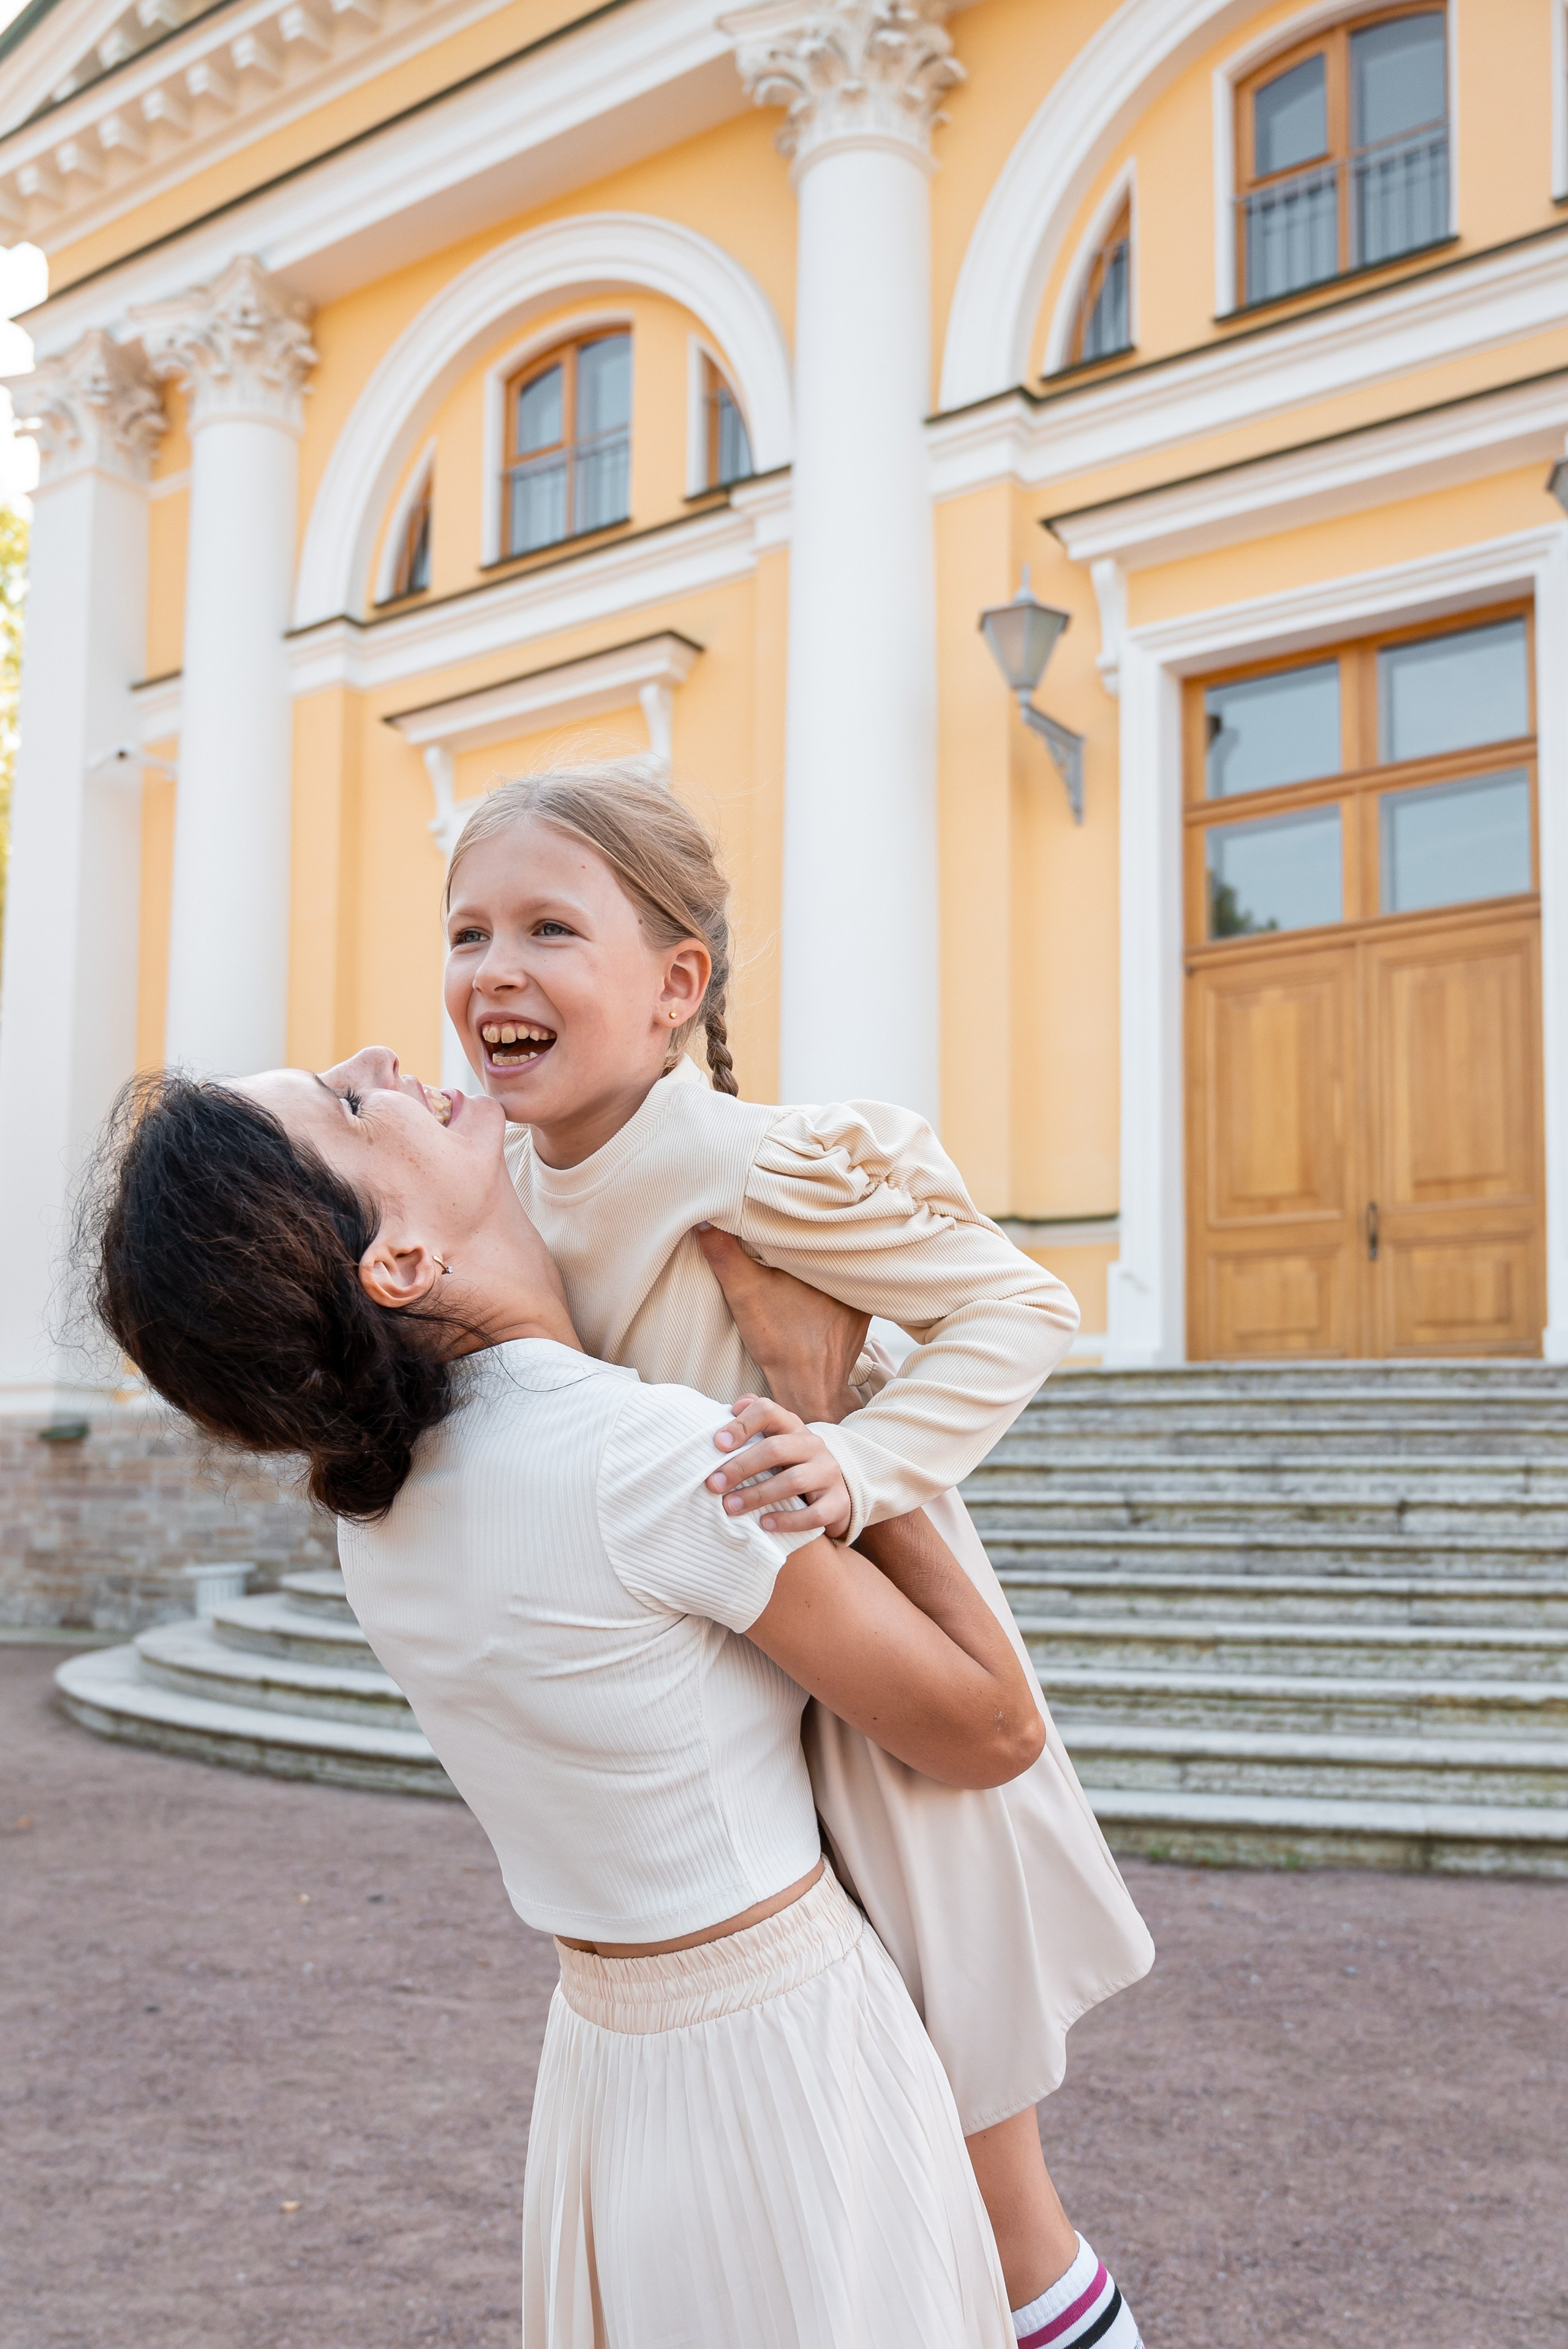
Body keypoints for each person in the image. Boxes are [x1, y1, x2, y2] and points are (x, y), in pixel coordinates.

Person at [85, 1058, 1044, 2347]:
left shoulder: (378, 1513)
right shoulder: (640, 1459)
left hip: (605, 2067)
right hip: (787, 2054)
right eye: (348, 1106)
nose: (379, 1065)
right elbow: (992, 1728)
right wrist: (827, 1417)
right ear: (400, 1260)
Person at [437, 762, 1153, 2348]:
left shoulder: (749, 1166)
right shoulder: (513, 1195)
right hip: (721, 1697)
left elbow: (1020, 1304)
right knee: (870, 2174)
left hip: (861, 1663)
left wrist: (858, 1461)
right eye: (468, 931)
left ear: (674, 985)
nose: (494, 968)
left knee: (976, 2153)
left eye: (550, 928)